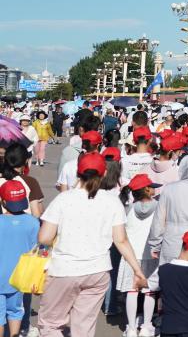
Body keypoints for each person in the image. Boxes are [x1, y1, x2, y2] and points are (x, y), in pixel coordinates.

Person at [36, 152, 148, 337]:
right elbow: (121, 240)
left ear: (78, 173)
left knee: (51, 324)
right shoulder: (112, 202)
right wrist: (137, 270)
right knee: (84, 326)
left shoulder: (64, 199)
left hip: (64, 269)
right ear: (104, 173)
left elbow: (44, 238)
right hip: (98, 271)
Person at [118, 175, 161, 337]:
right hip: (151, 254)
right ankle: (146, 327)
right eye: (152, 187)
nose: (154, 189)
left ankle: (131, 328)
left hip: (130, 255)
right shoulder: (159, 207)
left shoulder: (128, 208)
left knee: (132, 290)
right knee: (150, 290)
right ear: (147, 189)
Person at [0, 179, 40, 337]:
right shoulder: (33, 223)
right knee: (15, 311)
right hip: (19, 277)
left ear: (3, 201)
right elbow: (36, 252)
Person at [1, 143, 44, 217]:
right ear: (26, 161)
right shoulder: (31, 181)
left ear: (5, 159)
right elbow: (36, 213)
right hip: (26, 222)